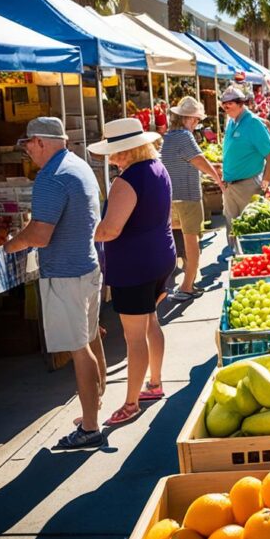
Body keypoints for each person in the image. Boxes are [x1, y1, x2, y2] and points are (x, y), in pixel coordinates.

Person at [4, 117, 105, 449]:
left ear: (40, 142)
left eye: (28, 145)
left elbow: (40, 234)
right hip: (87, 266)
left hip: (66, 274)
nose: (28, 151)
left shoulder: (51, 177)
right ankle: (95, 406)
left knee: (80, 349)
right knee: (90, 339)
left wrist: (9, 245)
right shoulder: (78, 165)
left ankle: (90, 427)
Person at [90, 118, 176, 427]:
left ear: (130, 149)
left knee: (134, 337)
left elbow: (111, 230)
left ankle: (131, 402)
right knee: (151, 320)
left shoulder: (126, 181)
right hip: (159, 258)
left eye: (116, 152)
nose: (111, 158)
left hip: (135, 266)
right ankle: (154, 383)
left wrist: (87, 232)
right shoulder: (158, 169)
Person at [162, 97, 224, 302]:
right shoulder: (184, 136)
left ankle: (178, 283)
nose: (197, 123)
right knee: (192, 242)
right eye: (196, 119)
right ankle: (187, 286)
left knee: (176, 241)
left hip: (171, 196)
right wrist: (218, 179)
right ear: (188, 118)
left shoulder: (169, 136)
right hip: (187, 196)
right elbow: (200, 161)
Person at [219, 87, 270, 227]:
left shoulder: (253, 123)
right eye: (223, 103)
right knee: (232, 229)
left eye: (229, 103)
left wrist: (265, 184)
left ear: (241, 103)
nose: (225, 106)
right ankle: (233, 249)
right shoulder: (231, 121)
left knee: (249, 229)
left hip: (248, 187)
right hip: (229, 186)